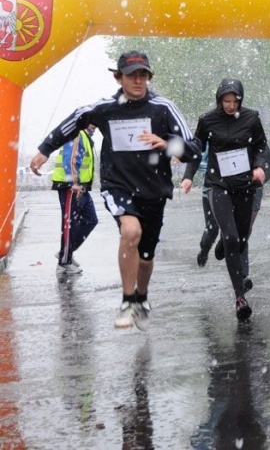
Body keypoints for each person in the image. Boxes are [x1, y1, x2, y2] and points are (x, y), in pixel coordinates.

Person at [29, 51, 200, 330]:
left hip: (154, 188)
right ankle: (126, 299)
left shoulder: (163, 107)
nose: (138, 80)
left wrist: (166, 143)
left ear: (149, 77)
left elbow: (194, 150)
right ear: (118, 77)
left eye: (143, 75)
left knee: (146, 257)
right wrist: (45, 150)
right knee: (130, 231)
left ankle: (141, 298)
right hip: (117, 184)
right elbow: (75, 120)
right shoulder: (105, 108)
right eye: (131, 75)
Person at [180, 79, 270, 321]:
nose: (231, 106)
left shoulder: (251, 118)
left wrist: (260, 167)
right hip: (218, 184)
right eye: (226, 101)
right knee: (232, 236)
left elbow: (262, 148)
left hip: (244, 185)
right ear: (219, 100)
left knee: (240, 239)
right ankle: (239, 298)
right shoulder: (208, 120)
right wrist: (188, 176)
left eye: (235, 101)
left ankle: (225, 244)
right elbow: (196, 151)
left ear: (241, 100)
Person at [51, 124, 98, 274]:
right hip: (70, 186)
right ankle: (65, 260)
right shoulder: (77, 134)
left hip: (81, 187)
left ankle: (66, 252)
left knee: (91, 219)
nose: (95, 124)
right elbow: (70, 159)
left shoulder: (87, 137)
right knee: (69, 223)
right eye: (92, 121)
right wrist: (73, 183)